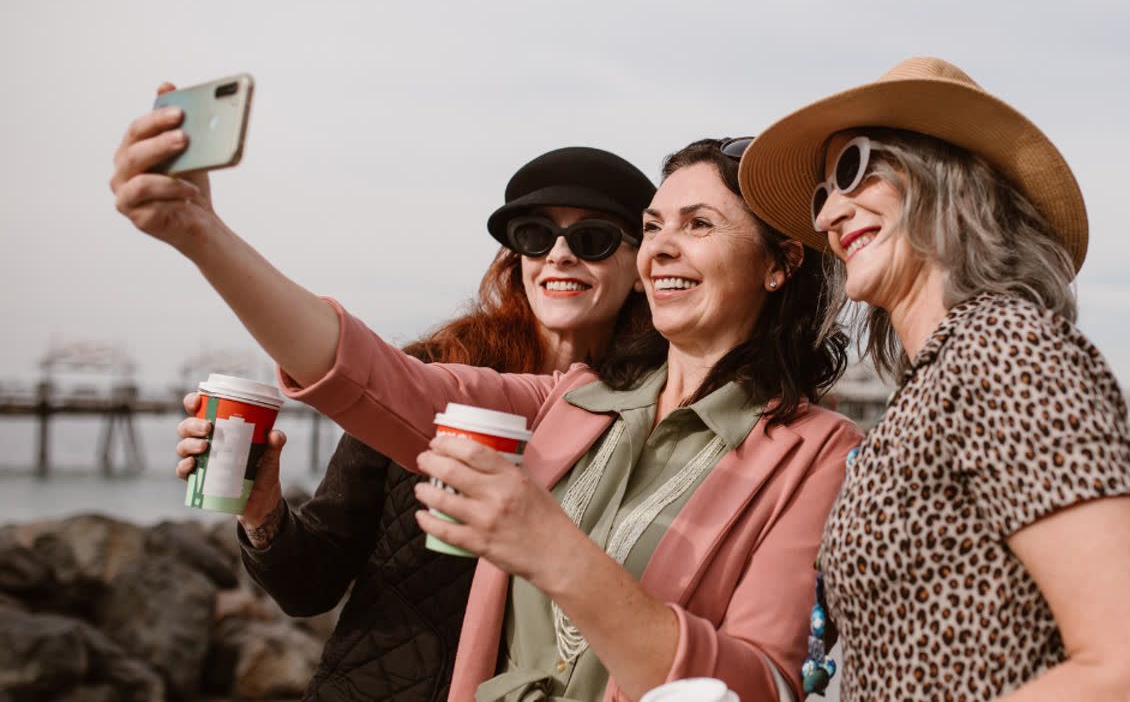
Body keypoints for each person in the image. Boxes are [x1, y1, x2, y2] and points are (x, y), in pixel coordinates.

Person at [110, 92, 859, 702]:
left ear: (779, 264)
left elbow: (764, 685)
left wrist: (552, 548)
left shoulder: (819, 452)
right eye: (655, 225)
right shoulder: (570, 400)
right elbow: (362, 372)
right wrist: (200, 234)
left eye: (698, 226)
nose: (663, 245)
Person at [740, 57, 1130, 700]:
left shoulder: (1006, 350)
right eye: (823, 196)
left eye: (852, 172)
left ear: (949, 176)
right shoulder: (940, 375)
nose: (827, 217)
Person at [171, 146, 655, 702]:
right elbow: (311, 586)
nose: (559, 256)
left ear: (641, 268)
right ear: (515, 258)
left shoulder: (653, 410)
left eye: (593, 239)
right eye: (534, 235)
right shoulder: (424, 375)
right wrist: (262, 513)